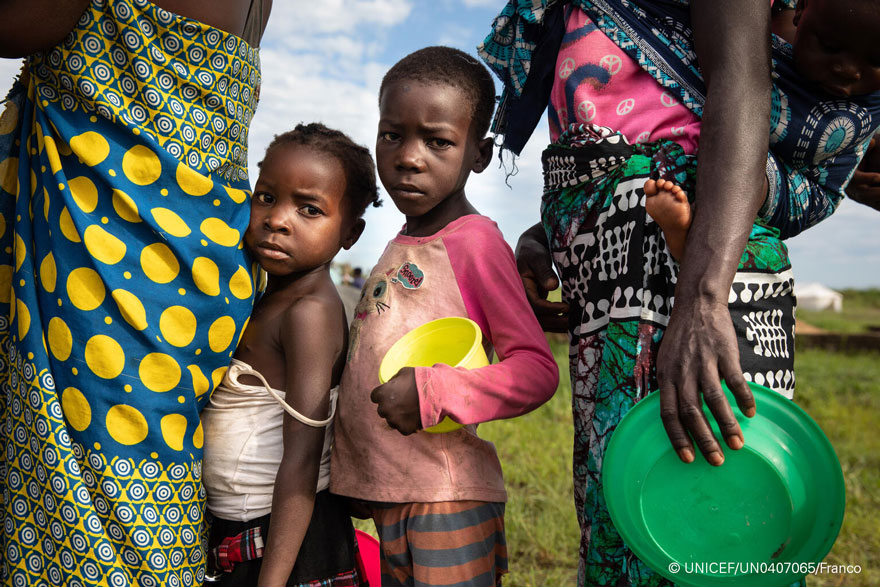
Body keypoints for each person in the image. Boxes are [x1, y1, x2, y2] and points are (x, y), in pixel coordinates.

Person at [479, 0, 880, 584]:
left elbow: (740, 96)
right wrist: (549, 234)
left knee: (716, 488)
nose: (846, 68)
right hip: (625, 281)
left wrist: (703, 300)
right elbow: (646, 124)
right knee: (627, 500)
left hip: (700, 280)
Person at [0, 0, 271, 585]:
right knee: (145, 464)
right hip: (198, 235)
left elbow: (16, 24)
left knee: (106, 482)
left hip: (118, 239)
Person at [329, 46, 559, 587]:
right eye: (392, 135)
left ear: (479, 154)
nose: (409, 157)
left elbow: (536, 370)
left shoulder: (474, 243)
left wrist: (434, 393)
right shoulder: (401, 243)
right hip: (395, 494)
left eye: (438, 142)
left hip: (445, 499)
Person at [200, 123, 379, 587]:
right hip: (247, 531)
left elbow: (302, 460)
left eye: (309, 209)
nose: (277, 219)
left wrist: (272, 581)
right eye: (266, 197)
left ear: (350, 233)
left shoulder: (309, 314)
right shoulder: (264, 292)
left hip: (284, 546)